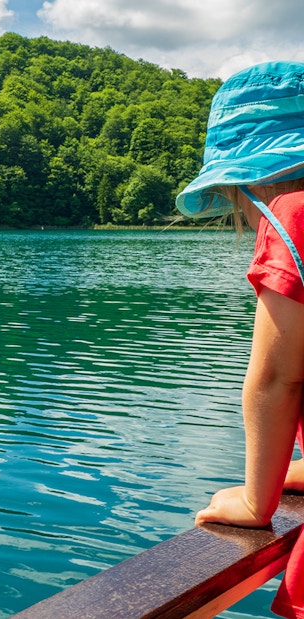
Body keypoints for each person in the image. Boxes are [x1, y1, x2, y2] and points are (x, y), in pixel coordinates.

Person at [175, 60, 304, 618]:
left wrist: (259, 500)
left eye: (234, 201)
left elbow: (280, 376)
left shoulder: (292, 214)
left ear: (253, 183)